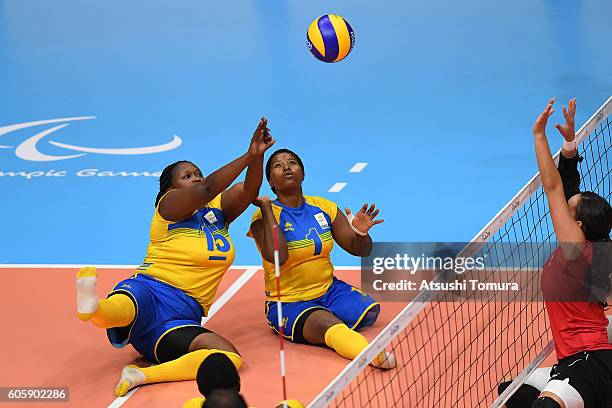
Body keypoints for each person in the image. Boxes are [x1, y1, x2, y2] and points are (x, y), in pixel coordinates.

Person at [75, 117, 275, 396]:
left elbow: (250, 189)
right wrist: (247, 155)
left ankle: (140, 375)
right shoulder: (167, 207)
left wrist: (258, 157)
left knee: (228, 356)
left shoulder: (217, 213)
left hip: (181, 318)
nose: (197, 178)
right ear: (171, 189)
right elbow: (206, 190)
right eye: (187, 176)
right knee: (126, 305)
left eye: (198, 173)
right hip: (151, 289)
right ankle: (95, 308)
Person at [500, 98, 612, 408]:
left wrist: (539, 136)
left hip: (588, 364)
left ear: (576, 225)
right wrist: (569, 144)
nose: (566, 204)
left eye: (570, 208)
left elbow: (554, 189)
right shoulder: (593, 245)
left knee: (545, 406)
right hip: (574, 359)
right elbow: (569, 186)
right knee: (511, 394)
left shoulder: (575, 253)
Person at [248, 148, 395, 369]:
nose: (287, 167)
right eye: (278, 165)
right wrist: (268, 210)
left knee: (370, 312)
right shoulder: (262, 217)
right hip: (289, 302)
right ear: (270, 182)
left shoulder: (324, 207)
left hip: (329, 290)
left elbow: (360, 250)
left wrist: (362, 233)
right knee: (328, 324)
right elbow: (278, 257)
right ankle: (371, 354)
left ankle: (325, 324)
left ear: (303, 174)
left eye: (292, 162)